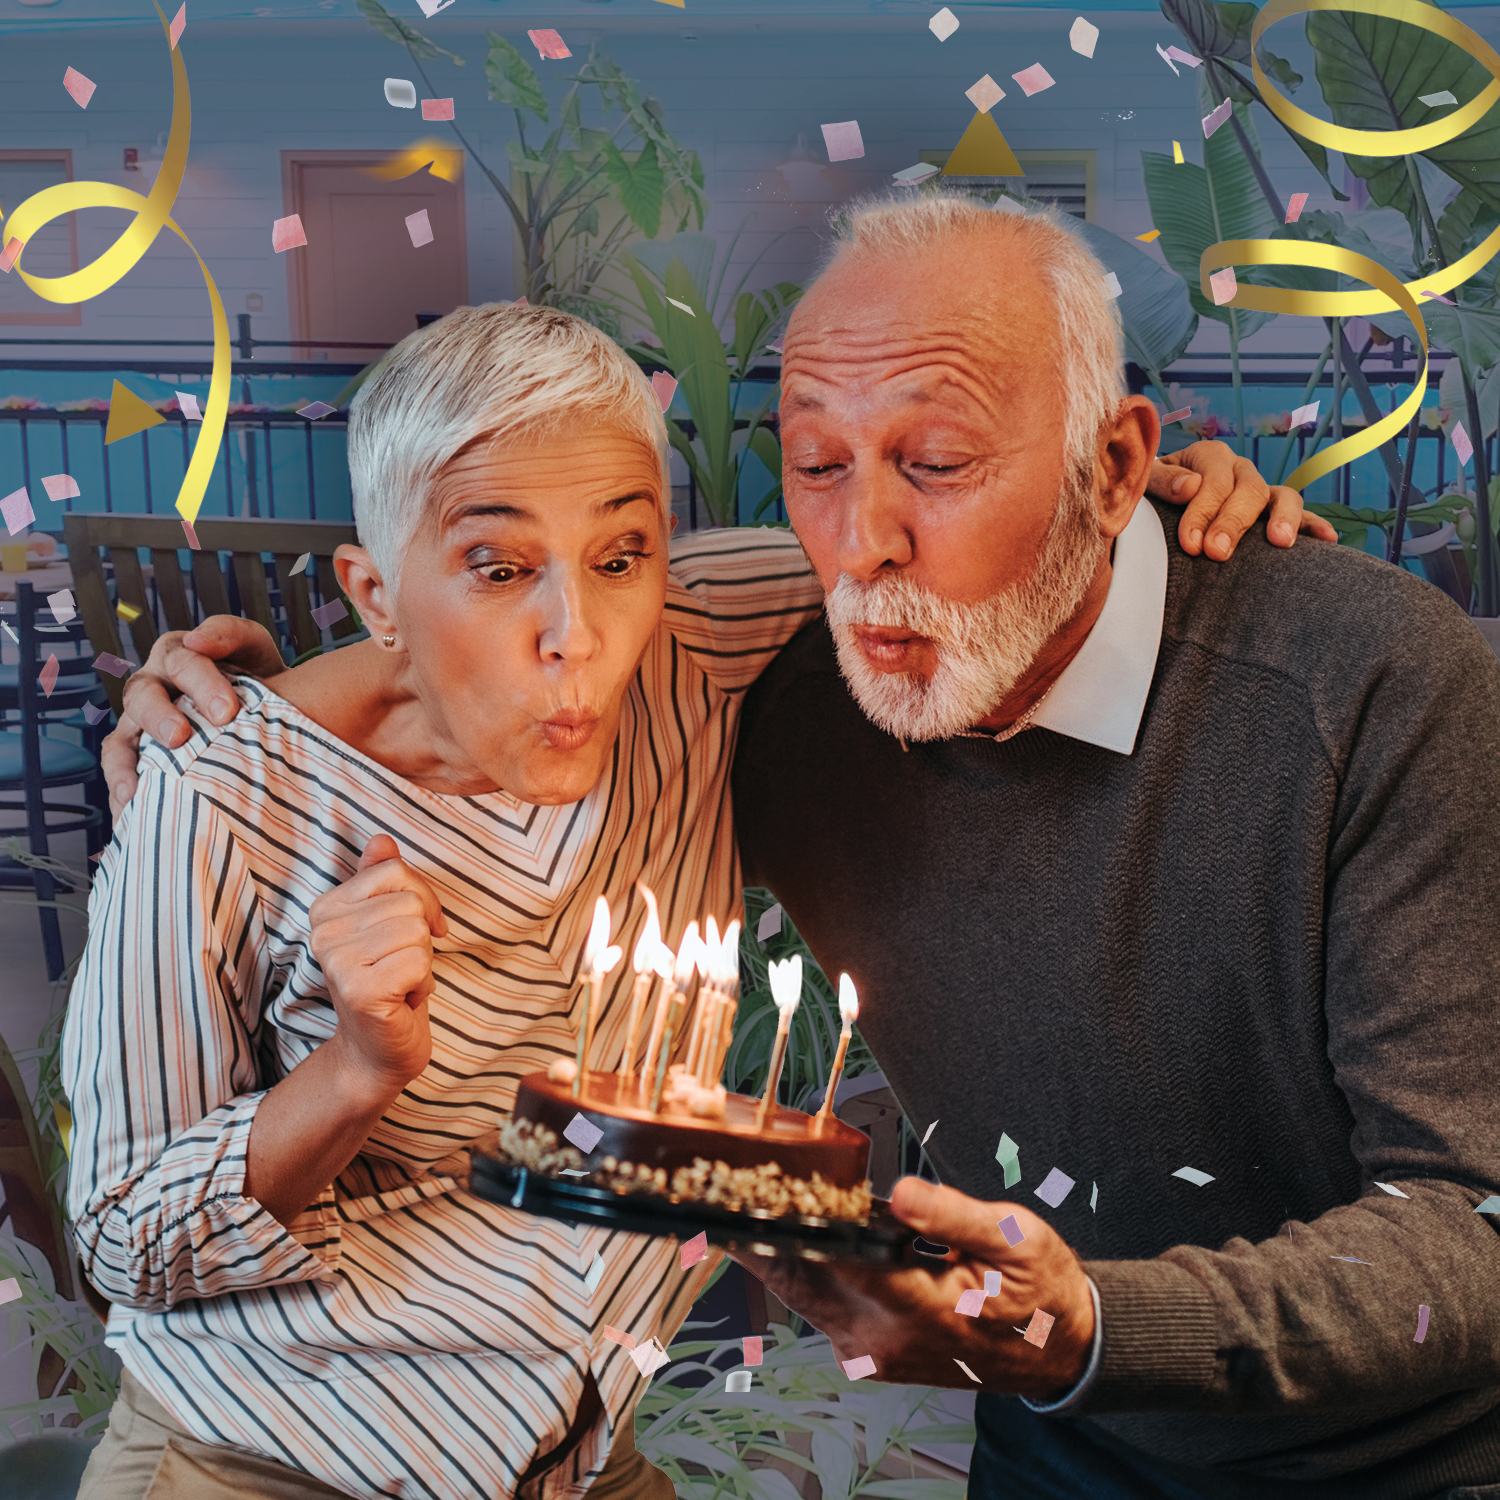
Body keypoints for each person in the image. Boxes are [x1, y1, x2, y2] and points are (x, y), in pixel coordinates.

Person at [88, 293, 1319, 1496]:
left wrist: (1136, 497)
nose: (578, 632)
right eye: (497, 566)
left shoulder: (700, 635)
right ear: (374, 595)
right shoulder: (216, 803)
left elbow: (957, 541)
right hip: (262, 1455)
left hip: (574, 1450)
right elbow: (122, 1237)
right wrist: (352, 1071)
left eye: (621, 553)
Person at [727, 193, 1500, 1499]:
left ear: (1115, 467)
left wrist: (1091, 1326)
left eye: (937, 462)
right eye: (819, 465)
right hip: (1049, 1439)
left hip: (1402, 1465)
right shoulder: (801, 717)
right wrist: (270, 698)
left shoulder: (1372, 684)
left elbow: (1476, 1228)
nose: (862, 546)